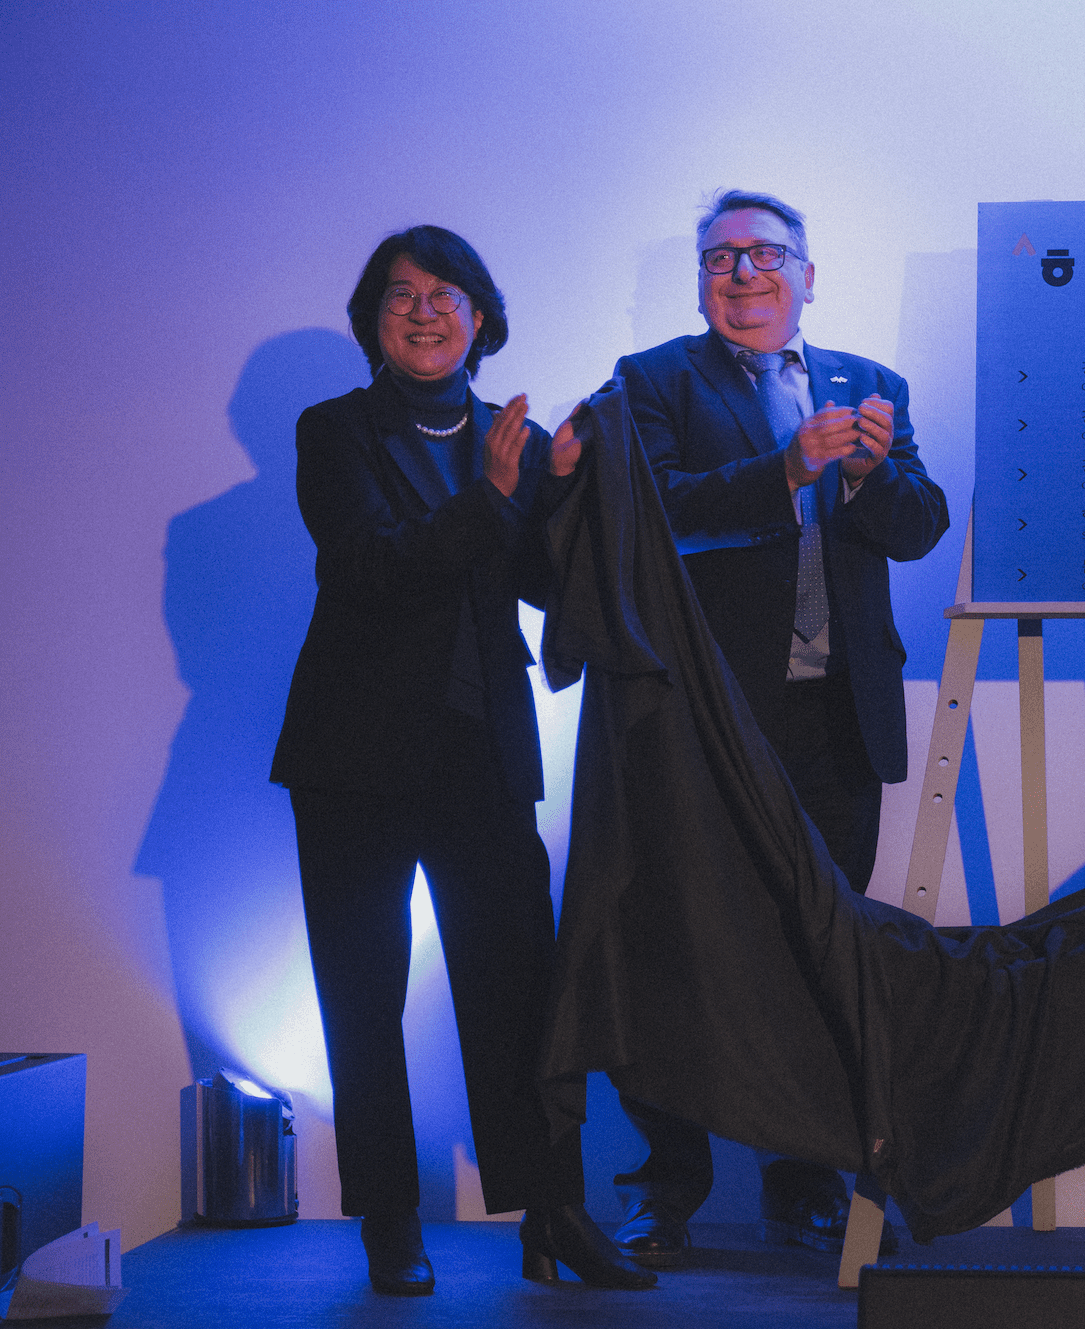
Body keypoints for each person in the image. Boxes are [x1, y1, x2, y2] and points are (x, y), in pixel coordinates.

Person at [270, 225, 653, 1295]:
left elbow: (537, 584)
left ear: (481, 316)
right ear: (372, 322)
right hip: (351, 759)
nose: (424, 310)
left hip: (484, 751)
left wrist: (560, 494)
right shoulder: (333, 431)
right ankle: (390, 1219)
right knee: (362, 993)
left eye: (446, 294)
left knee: (523, 993)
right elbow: (366, 569)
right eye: (400, 295)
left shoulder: (515, 441)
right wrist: (493, 498)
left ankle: (552, 1217)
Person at [595, 190, 949, 1265]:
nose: (741, 274)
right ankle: (667, 1186)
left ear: (807, 272)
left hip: (835, 714)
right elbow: (649, 512)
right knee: (676, 949)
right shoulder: (652, 380)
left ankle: (803, 1179)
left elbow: (921, 527)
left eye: (763, 255)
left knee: (822, 950)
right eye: (718, 259)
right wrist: (785, 469)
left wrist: (867, 471)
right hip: (706, 712)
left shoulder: (870, 384)